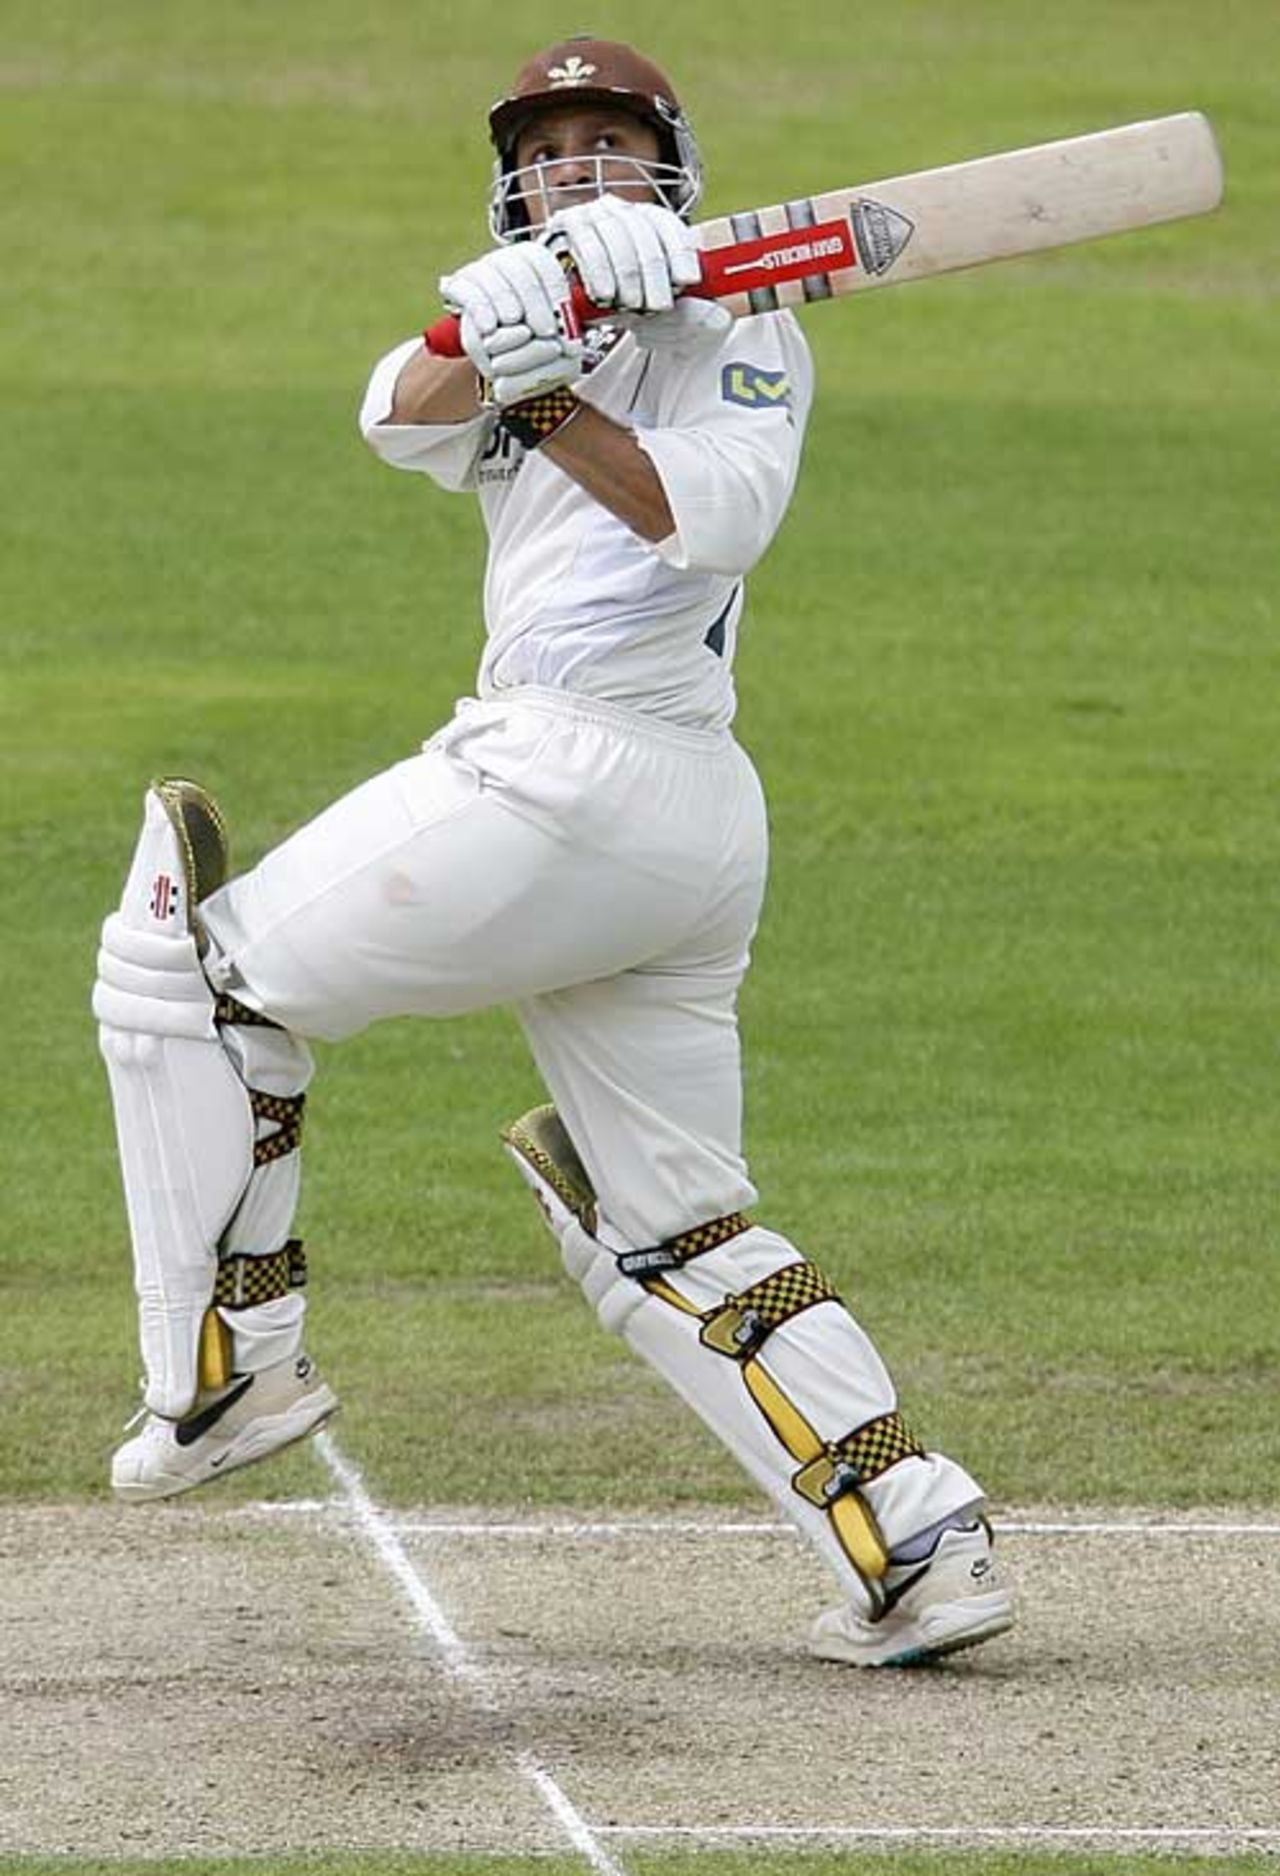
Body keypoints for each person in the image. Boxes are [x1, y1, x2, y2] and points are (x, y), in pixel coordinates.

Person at [92, 37, 1015, 1668]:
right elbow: (393, 409)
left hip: (586, 773)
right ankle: (918, 1537)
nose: (579, 168)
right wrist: (520, 325)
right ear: (513, 181)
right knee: (672, 1226)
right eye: (549, 149)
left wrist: (561, 374)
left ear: (672, 167)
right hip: (664, 833)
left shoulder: (749, 330)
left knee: (192, 972)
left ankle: (230, 1362)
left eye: (611, 142)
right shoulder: (530, 312)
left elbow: (702, 517)